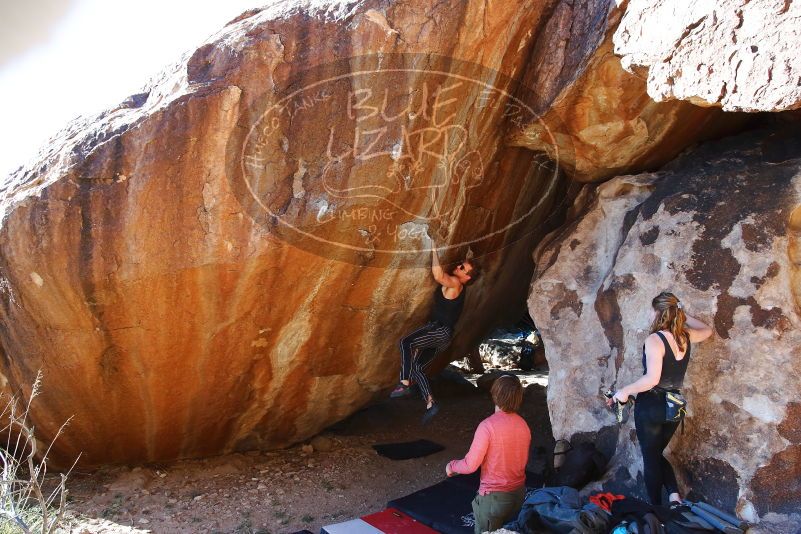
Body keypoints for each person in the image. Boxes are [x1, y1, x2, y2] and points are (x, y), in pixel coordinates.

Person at [608, 291, 712, 506]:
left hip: (652, 405)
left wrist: (624, 391)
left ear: (658, 312)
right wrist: (683, 313)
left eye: (651, 309)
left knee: (650, 458)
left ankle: (655, 509)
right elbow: (708, 330)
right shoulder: (685, 335)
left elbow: (651, 379)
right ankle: (674, 497)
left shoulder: (655, 339)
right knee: (655, 452)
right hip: (675, 407)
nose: (649, 313)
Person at [390, 242, 478, 423]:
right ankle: (431, 403)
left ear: (466, 277)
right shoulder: (458, 286)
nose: (458, 266)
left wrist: (433, 248)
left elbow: (438, 275)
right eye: (461, 264)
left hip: (438, 330)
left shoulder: (455, 285)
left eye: (462, 267)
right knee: (418, 368)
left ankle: (404, 383)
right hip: (443, 336)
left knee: (405, 343)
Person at [445, 375, 531, 534]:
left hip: (494, 499)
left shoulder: (487, 427)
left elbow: (470, 465)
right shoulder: (523, 425)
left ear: (495, 395)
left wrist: (451, 466)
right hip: (518, 494)